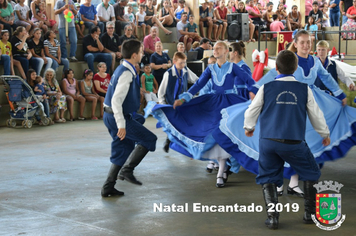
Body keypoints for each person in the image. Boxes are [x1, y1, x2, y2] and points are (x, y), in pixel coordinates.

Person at [214, 30, 356, 197]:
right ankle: (280, 182)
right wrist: (255, 91)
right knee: (287, 142)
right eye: (302, 42)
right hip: (288, 105)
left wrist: (339, 94)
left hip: (309, 102)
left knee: (303, 144)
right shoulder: (288, 60)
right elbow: (271, 77)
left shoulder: (315, 61)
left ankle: (294, 183)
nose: (306, 45)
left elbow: (326, 78)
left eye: (308, 42)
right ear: (295, 43)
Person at [145, 41, 258, 188]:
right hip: (213, 104)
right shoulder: (210, 68)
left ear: (226, 52)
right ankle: (221, 169)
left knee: (226, 135)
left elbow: (250, 81)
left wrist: (254, 93)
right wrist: (184, 98)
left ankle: (223, 170)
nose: (215, 50)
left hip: (230, 104)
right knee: (213, 134)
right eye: (214, 48)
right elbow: (198, 85)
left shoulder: (233, 67)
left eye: (218, 48)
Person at [244, 50, 330, 229]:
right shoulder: (303, 89)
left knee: (268, 177)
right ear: (296, 68)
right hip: (294, 142)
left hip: (268, 141)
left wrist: (249, 127)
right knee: (311, 173)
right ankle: (309, 214)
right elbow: (316, 115)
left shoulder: (266, 88)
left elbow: (252, 110)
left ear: (276, 68)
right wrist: (324, 134)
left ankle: (273, 218)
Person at [101, 39, 157, 197]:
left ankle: (108, 187)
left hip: (111, 115)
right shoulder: (126, 73)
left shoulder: (124, 68)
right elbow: (116, 101)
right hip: (117, 116)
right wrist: (122, 126)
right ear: (134, 55)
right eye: (141, 51)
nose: (142, 54)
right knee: (149, 139)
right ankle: (127, 170)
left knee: (123, 148)